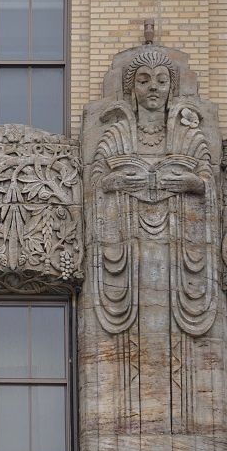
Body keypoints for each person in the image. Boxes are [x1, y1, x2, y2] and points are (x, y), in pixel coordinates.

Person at [90, 49, 217, 337]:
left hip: (179, 239)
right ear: (132, 90)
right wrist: (116, 183)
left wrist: (192, 184)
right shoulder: (117, 134)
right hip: (127, 240)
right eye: (144, 81)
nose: (153, 88)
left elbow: (206, 180)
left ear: (171, 88)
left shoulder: (189, 136)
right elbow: (98, 179)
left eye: (161, 81)